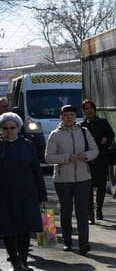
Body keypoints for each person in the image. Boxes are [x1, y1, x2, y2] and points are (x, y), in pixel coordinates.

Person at [45, 105, 98, 256]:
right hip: (63, 179)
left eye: (72, 115)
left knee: (82, 210)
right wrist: (67, 158)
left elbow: (95, 150)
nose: (69, 117)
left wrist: (86, 155)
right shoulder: (55, 135)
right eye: (66, 115)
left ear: (76, 116)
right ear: (61, 117)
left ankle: (83, 243)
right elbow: (48, 157)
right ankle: (67, 242)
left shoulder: (84, 131)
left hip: (83, 177)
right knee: (66, 210)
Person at [0, 112, 47, 271]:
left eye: (12, 127)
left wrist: (42, 196)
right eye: (5, 128)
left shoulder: (27, 145)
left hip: (27, 194)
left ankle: (24, 262)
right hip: (4, 195)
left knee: (24, 228)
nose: (9, 131)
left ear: (18, 128)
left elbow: (37, 171)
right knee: (8, 229)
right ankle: (15, 261)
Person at [80, 99, 115, 224]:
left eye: (91, 108)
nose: (89, 110)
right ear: (83, 111)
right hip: (87, 160)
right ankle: (91, 214)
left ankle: (99, 208)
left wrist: (107, 138)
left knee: (101, 185)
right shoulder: (81, 126)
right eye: (86, 108)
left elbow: (111, 134)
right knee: (88, 187)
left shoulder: (102, 122)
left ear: (95, 109)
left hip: (101, 158)